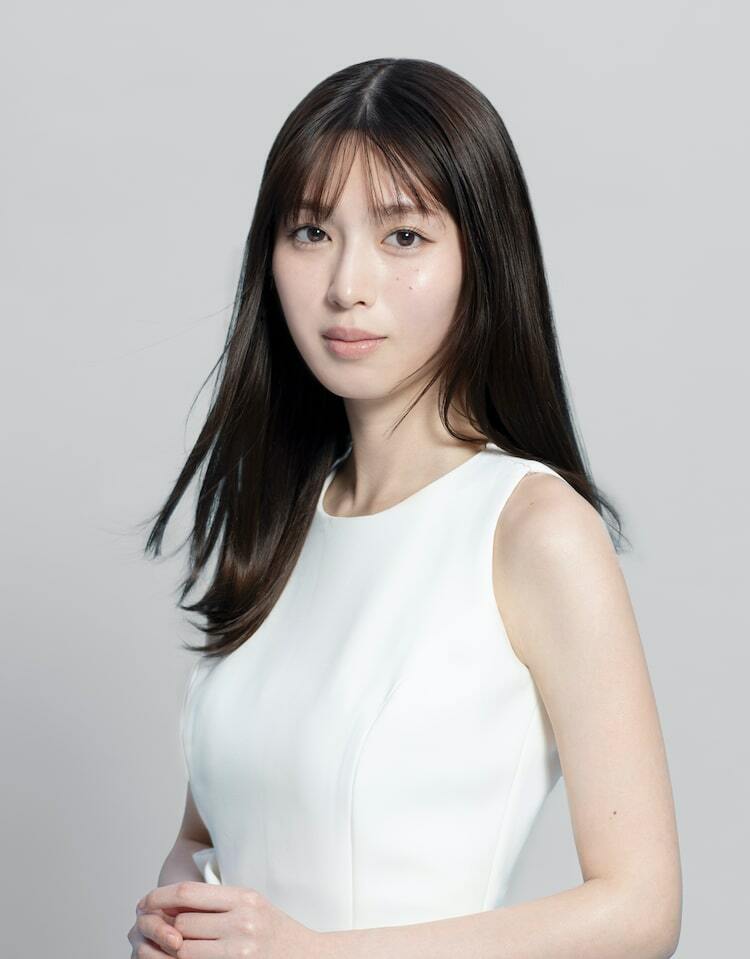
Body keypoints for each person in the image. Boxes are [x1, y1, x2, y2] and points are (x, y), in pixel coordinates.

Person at [129, 57, 682, 959]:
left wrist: (310, 954)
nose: (347, 284)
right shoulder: (280, 522)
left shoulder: (533, 529)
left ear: (481, 258)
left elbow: (641, 909)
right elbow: (206, 835)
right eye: (311, 231)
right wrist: (177, 915)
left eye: (404, 236)